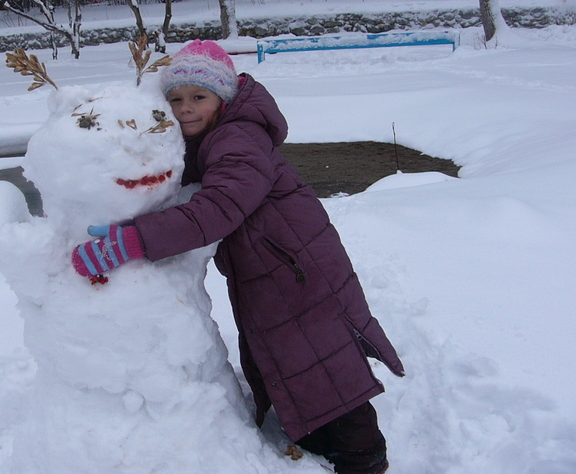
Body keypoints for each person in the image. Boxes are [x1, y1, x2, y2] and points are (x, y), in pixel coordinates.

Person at [71, 40, 405, 474]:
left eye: (198, 97)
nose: (185, 108)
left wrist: (134, 241)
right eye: (175, 99)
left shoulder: (239, 138)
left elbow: (219, 208)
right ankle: (318, 436)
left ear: (222, 98)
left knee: (323, 359)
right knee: (294, 356)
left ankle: (364, 458)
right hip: (276, 266)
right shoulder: (217, 135)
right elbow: (186, 173)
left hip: (295, 268)